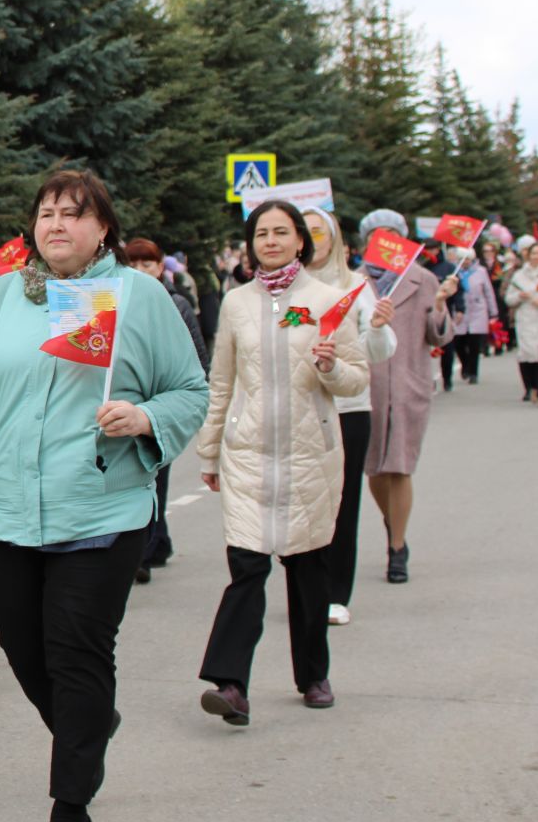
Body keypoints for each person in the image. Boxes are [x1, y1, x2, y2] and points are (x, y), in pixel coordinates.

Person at [0, 169, 208, 822]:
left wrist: (144, 418)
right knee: (24, 649)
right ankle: (88, 725)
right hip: (13, 511)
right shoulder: (4, 299)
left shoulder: (138, 298)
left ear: (102, 227)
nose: (57, 225)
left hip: (101, 508)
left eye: (74, 214)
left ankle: (70, 809)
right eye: (47, 213)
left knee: (77, 654)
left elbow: (190, 389)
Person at [195, 202, 369, 727]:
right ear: (251, 244)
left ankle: (313, 674)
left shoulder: (328, 301)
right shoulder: (237, 303)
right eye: (261, 233)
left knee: (307, 569)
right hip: (248, 452)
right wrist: (210, 449)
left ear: (300, 241)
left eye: (281, 232)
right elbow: (222, 380)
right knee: (246, 567)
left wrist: (331, 366)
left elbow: (357, 378)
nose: (270, 241)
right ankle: (230, 684)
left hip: (308, 453)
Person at [302, 210, 397, 625]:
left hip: (349, 409)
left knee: (343, 502)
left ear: (335, 238)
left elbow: (379, 350)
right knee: (305, 500)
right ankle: (306, 589)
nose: (310, 238)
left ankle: (336, 593)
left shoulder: (356, 286)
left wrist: (376, 328)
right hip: (299, 405)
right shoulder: (282, 288)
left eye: (317, 231)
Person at [358, 210, 456, 586]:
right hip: (367, 388)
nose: (385, 243)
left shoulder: (424, 279)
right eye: (378, 236)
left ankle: (397, 547)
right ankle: (392, 518)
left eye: (392, 236)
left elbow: (439, 336)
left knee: (399, 465)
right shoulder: (356, 282)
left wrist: (443, 305)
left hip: (407, 385)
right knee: (375, 468)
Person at [123, 237, 209, 583]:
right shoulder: (116, 300)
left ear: (161, 267)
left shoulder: (176, 304)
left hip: (162, 407)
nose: (141, 270)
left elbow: (197, 358)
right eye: (134, 264)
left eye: (148, 264)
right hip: (129, 404)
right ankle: (158, 542)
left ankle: (144, 551)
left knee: (157, 478)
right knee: (137, 480)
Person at [444, 246, 491, 387]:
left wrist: (493, 312)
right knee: (459, 343)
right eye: (462, 260)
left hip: (477, 311)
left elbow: (488, 292)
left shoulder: (481, 271)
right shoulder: (454, 273)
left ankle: (473, 373)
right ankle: (465, 364)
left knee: (474, 344)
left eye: (467, 260)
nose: (465, 262)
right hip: (460, 312)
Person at [507, 239, 538, 402]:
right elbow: (509, 299)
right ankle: (529, 387)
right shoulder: (519, 276)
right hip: (526, 319)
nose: (536, 256)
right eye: (534, 253)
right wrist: (519, 296)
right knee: (527, 354)